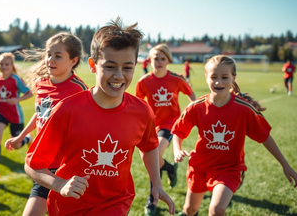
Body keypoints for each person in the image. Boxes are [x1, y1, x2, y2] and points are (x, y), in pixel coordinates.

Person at [24, 18, 175, 216]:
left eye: (127, 67)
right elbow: (32, 165)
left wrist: (156, 183)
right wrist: (60, 184)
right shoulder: (67, 109)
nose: (119, 75)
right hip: (69, 205)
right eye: (110, 66)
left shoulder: (142, 111)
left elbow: (149, 147)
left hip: (116, 202)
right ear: (93, 65)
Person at [172, 55, 297, 216]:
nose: (219, 82)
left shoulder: (244, 109)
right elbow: (178, 131)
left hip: (229, 168)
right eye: (214, 77)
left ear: (233, 77)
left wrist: (285, 165)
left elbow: (265, 137)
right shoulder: (196, 107)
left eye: (225, 77)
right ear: (206, 77)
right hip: (200, 166)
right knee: (190, 210)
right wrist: (177, 150)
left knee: (217, 209)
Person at [4, 32, 88, 216]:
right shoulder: (41, 84)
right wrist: (20, 136)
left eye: (58, 56)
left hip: (67, 169)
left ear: (73, 61)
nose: (50, 59)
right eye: (49, 54)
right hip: (44, 166)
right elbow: (41, 114)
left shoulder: (79, 91)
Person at [135, 43, 195, 215]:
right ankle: (169, 168)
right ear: (150, 60)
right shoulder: (144, 82)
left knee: (155, 155)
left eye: (163, 59)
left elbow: (191, 95)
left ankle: (151, 201)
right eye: (156, 58)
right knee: (150, 158)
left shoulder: (176, 79)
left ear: (168, 60)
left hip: (170, 124)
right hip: (151, 125)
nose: (159, 62)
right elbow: (138, 104)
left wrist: (195, 111)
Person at [0, 52, 33, 182]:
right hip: (0, 112)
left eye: (7, 64)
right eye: (1, 64)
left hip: (15, 116)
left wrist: (17, 99)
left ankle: (27, 138)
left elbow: (29, 93)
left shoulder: (16, 79)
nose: (4, 66)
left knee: (16, 146)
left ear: (11, 65)